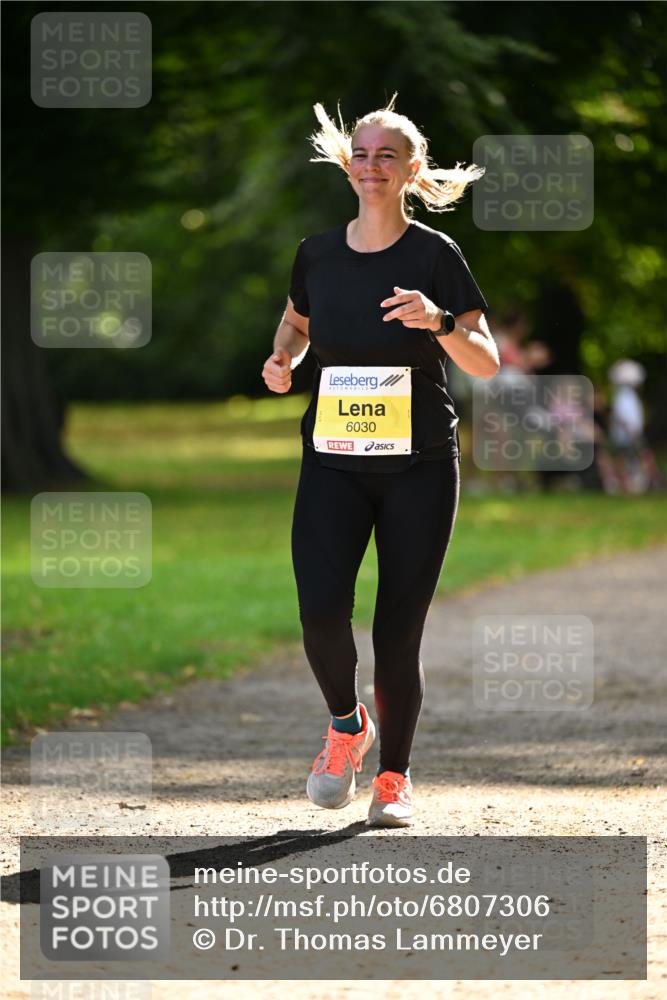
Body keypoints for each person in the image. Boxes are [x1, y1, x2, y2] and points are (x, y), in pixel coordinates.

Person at [261, 94, 499, 828]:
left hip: (419, 463)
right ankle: (345, 726)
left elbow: (485, 361)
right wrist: (282, 358)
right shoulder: (317, 253)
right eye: (360, 154)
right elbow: (297, 322)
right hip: (332, 458)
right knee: (320, 611)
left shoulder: (435, 256)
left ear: (410, 169)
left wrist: (437, 321)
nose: (370, 166)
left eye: (385, 155)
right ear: (346, 164)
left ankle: (392, 778)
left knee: (398, 630)